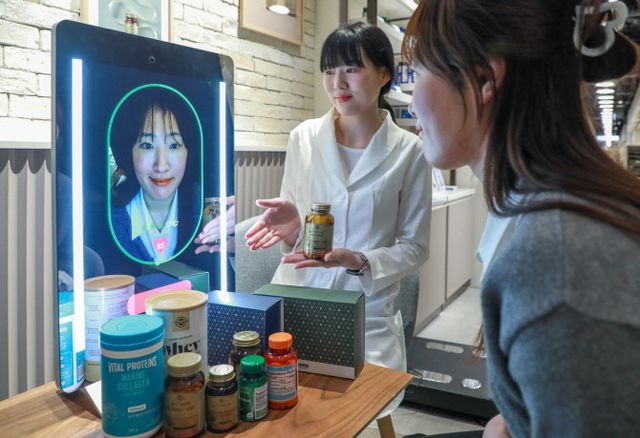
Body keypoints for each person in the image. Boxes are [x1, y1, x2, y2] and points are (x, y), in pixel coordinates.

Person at [402, 0, 640, 436]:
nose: (412, 103)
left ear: (483, 79)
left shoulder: (555, 262)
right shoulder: (555, 212)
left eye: (418, 72)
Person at [245, 22, 432, 416]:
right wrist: (292, 229)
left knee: (350, 411)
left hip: (365, 314)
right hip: (298, 301)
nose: (337, 83)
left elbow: (415, 248)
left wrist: (359, 261)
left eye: (351, 69)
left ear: (384, 74)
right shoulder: (303, 138)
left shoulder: (410, 151)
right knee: (272, 397)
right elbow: (295, 240)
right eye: (329, 71)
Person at [109, 86, 202, 264]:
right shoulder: (109, 216)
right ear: (128, 152)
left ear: (188, 150)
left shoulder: (205, 204)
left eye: (174, 145)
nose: (161, 166)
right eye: (147, 145)